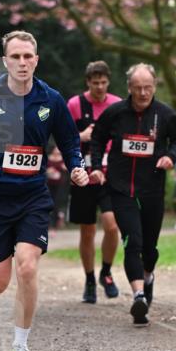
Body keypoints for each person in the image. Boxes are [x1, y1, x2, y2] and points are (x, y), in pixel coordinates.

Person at [0, 30, 88, 351]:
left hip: (32, 196)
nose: (22, 62)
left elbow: (71, 143)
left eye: (28, 56)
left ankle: (21, 347)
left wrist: (76, 167)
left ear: (36, 60)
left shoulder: (50, 99)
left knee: (27, 267)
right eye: (15, 56)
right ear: (5, 61)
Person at [90, 63, 176, 325]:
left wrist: (170, 156)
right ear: (129, 88)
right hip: (121, 188)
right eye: (138, 88)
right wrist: (97, 168)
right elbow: (97, 138)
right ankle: (138, 296)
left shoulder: (165, 115)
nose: (143, 93)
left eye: (148, 87)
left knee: (149, 248)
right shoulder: (115, 113)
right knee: (132, 242)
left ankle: (148, 276)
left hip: (152, 188)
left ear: (154, 86)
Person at [66, 60, 121, 303]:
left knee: (112, 226)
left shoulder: (117, 104)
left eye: (103, 82)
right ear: (88, 82)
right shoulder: (75, 105)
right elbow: (64, 138)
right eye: (95, 83)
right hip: (83, 175)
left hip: (109, 175)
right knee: (87, 231)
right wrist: (82, 136)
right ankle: (89, 280)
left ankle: (106, 272)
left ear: (108, 82)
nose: (99, 87)